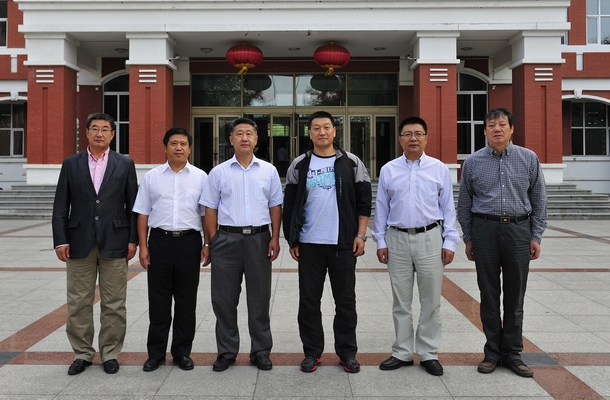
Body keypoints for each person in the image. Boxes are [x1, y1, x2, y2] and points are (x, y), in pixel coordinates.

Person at [457, 108, 547, 378]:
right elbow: (464, 204)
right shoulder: (473, 162)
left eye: (502, 124)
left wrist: (536, 236)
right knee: (488, 294)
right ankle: (492, 353)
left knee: (515, 296)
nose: (497, 129)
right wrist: (469, 237)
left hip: (519, 230)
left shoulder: (528, 158)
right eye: (491, 125)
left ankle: (513, 353)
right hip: (484, 230)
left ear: (511, 129)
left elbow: (539, 199)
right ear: (484, 131)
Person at [283, 111, 372, 373]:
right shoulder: (299, 164)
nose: (322, 132)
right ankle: (312, 352)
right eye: (316, 128)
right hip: (309, 244)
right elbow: (290, 205)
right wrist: (292, 239)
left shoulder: (351, 162)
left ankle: (347, 352)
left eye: (326, 127)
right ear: (309, 133)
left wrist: (360, 235)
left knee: (345, 301)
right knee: (309, 302)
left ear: (334, 131)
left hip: (343, 243)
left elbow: (364, 202)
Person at [372, 116, 460, 376]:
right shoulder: (388, 170)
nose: (413, 138)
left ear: (426, 138)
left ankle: (428, 353)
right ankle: (402, 351)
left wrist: (450, 241)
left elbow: (448, 208)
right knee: (401, 302)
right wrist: (380, 240)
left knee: (431, 300)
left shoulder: (439, 169)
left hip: (430, 238)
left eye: (418, 133)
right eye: (408, 134)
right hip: (397, 239)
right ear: (400, 139)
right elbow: (381, 208)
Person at [52, 112, 138, 375]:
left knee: (115, 302)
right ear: (87, 132)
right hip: (79, 241)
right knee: (79, 301)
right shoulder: (71, 163)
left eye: (105, 129)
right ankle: (82, 353)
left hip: (116, 240)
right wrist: (60, 240)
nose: (100, 133)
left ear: (113, 134)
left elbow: (133, 205)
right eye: (95, 129)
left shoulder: (125, 163)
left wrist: (133, 239)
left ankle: (110, 353)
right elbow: (61, 205)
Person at [200, 117, 283, 372]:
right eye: (239, 134)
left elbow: (275, 206)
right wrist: (213, 241)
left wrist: (275, 237)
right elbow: (209, 209)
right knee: (224, 300)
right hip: (227, 239)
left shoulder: (268, 171)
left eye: (249, 134)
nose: (244, 138)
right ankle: (227, 351)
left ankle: (261, 351)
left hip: (259, 239)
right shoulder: (218, 172)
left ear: (256, 139)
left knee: (259, 299)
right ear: (231, 139)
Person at [133, 127, 208, 372]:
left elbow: (206, 214)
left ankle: (182, 352)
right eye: (174, 143)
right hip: (160, 242)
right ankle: (155, 353)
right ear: (165, 147)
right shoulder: (152, 177)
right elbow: (142, 213)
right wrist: (143, 246)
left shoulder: (201, 177)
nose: (178, 148)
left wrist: (207, 243)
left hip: (189, 242)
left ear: (189, 148)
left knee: (187, 300)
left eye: (183, 144)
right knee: (158, 300)